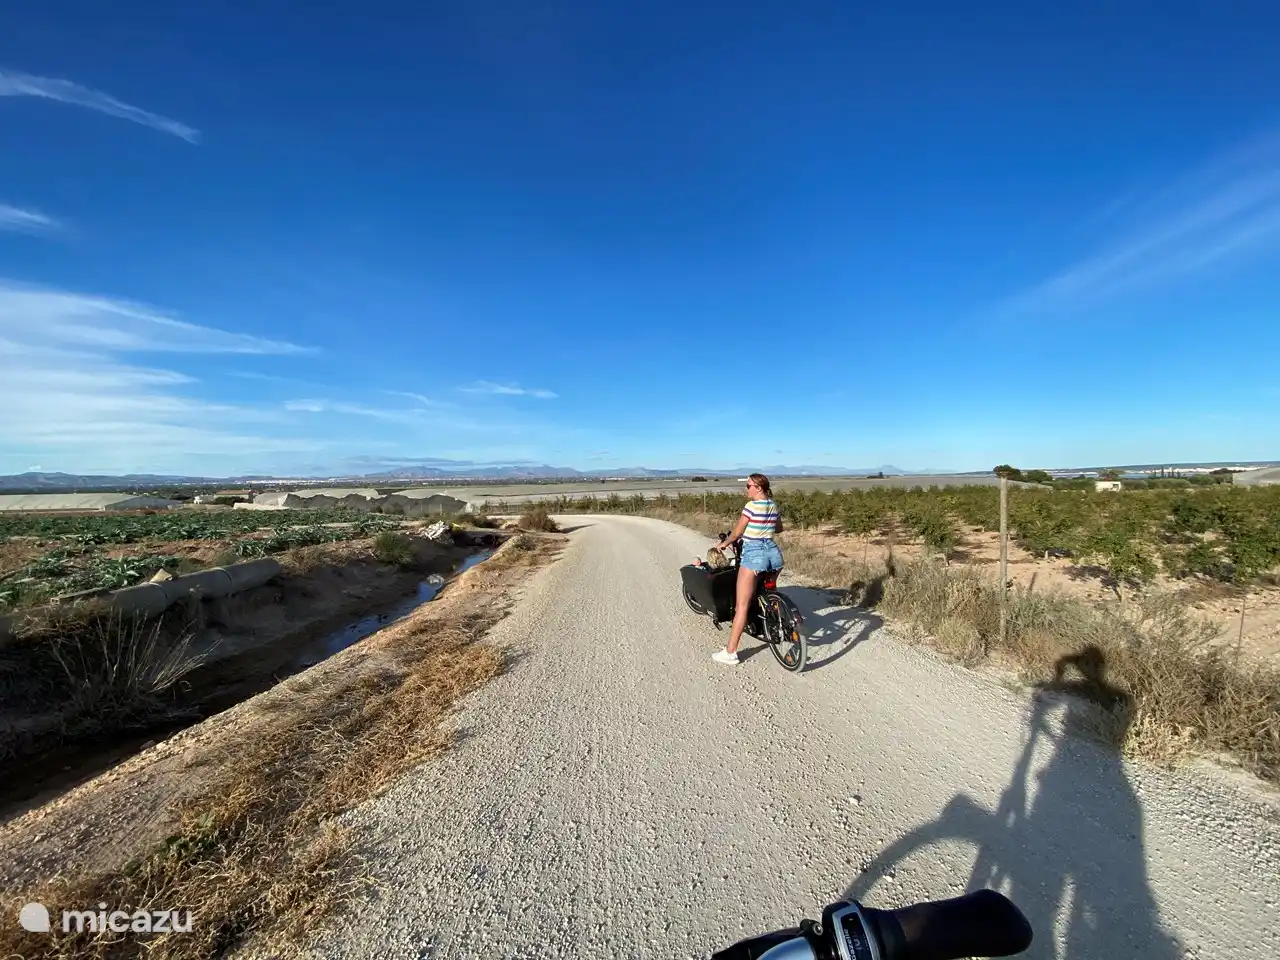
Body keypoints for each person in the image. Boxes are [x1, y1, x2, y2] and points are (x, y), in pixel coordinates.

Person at [713, 473, 784, 665]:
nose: (746, 489)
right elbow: (779, 529)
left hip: (754, 554)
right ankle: (781, 623)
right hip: (774, 554)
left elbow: (737, 532)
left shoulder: (751, 506)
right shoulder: (772, 504)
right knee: (770, 590)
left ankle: (730, 652)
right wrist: (766, 523)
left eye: (748, 485)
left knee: (741, 606)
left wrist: (725, 543)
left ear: (759, 487)